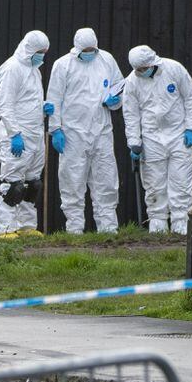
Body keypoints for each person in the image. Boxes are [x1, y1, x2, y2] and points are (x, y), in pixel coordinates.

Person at [45, 27, 124, 234]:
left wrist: (114, 102)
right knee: (72, 181)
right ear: (77, 48)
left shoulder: (106, 60)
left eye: (92, 49)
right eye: (85, 49)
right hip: (73, 133)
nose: (89, 52)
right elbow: (54, 98)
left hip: (102, 131)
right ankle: (74, 229)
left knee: (106, 179)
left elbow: (119, 87)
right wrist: (55, 129)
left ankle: (108, 229)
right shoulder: (63, 65)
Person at [122, 45, 192, 235]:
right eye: (138, 69)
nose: (141, 72)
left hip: (178, 134)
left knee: (181, 181)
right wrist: (134, 141)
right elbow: (130, 113)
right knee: (154, 183)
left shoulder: (174, 69)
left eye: (144, 68)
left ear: (152, 62)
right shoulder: (132, 81)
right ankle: (157, 224)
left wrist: (191, 127)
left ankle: (181, 223)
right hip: (151, 137)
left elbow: (190, 96)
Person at [0, 30, 51, 238]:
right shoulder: (12, 69)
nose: (42, 56)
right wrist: (14, 133)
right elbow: (4, 104)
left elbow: (26, 101)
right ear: (29, 50)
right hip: (18, 135)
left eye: (44, 52)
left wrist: (43, 107)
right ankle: (7, 228)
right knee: (13, 185)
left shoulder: (34, 70)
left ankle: (26, 226)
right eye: (40, 52)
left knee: (32, 183)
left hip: (35, 134)